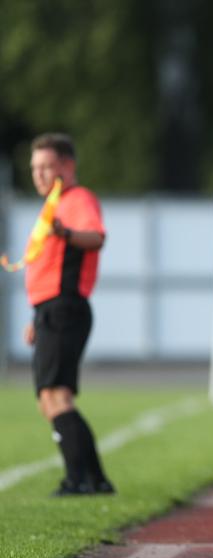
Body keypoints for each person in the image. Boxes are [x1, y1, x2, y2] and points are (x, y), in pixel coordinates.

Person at [23, 133, 113, 496]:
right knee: (50, 399)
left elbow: (96, 237)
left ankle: (80, 480)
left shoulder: (75, 200)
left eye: (47, 166)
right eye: (35, 168)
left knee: (56, 396)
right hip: (51, 309)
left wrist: (65, 230)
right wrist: (37, 315)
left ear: (68, 167)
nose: (40, 175)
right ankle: (93, 478)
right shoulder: (53, 205)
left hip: (64, 307)